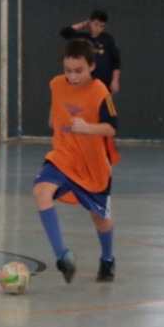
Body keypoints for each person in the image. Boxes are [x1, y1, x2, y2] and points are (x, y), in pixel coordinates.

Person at [32, 38, 120, 283]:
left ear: (91, 66)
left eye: (78, 71)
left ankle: (107, 258)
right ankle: (63, 256)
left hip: (93, 166)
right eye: (67, 70)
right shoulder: (56, 85)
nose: (72, 76)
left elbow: (111, 129)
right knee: (41, 192)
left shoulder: (100, 91)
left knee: (100, 220)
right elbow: (54, 116)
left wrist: (86, 128)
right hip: (63, 157)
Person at [60, 9, 122, 93]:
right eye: (96, 24)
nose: (98, 28)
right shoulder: (83, 38)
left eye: (102, 26)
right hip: (86, 83)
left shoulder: (108, 39)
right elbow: (65, 32)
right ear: (90, 23)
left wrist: (115, 81)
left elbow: (116, 62)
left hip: (104, 84)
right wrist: (83, 25)